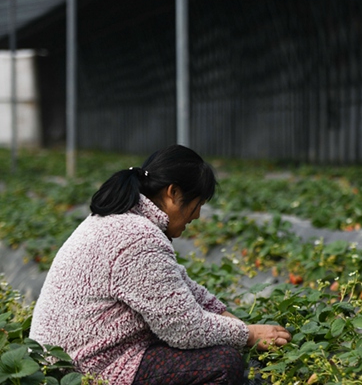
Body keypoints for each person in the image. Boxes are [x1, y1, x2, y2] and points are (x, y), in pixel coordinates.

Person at [30, 145, 291, 385]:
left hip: (66, 356)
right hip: (81, 368)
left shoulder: (124, 218)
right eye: (197, 204)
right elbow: (185, 329)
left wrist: (238, 324)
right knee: (222, 364)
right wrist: (248, 335)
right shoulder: (137, 238)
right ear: (173, 193)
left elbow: (183, 288)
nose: (198, 215)